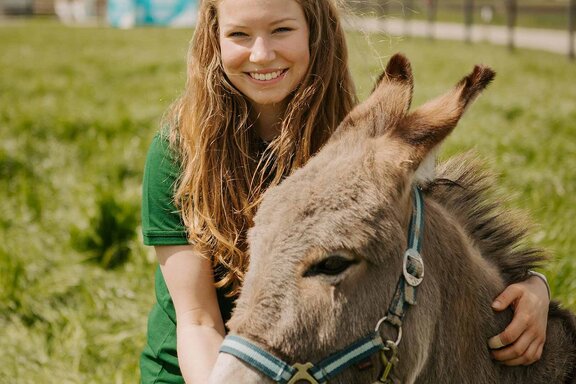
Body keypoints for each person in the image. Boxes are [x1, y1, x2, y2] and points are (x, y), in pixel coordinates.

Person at [139, 0, 551, 383]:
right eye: (239, 35)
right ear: (214, 39)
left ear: (314, 31)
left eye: (281, 29)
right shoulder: (181, 150)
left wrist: (532, 287)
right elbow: (198, 322)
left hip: (317, 360)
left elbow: (422, 237)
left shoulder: (349, 139)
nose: (261, 53)